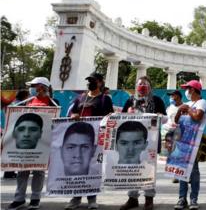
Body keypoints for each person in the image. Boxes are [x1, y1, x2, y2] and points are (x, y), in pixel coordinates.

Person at [8, 77, 59, 210]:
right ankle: (19, 199)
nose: (32, 88)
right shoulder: (29, 101)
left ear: (43, 87)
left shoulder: (53, 103)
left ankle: (35, 199)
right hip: (26, 144)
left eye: (34, 86)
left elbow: (56, 120)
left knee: (39, 171)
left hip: (43, 143)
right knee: (22, 170)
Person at [66, 72, 114, 210]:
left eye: (93, 80)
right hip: (79, 137)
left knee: (93, 168)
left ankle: (92, 198)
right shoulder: (80, 98)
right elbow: (72, 113)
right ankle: (75, 198)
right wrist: (74, 115)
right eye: (89, 81)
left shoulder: (105, 99)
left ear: (100, 82)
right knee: (79, 168)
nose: (90, 83)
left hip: (96, 138)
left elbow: (109, 117)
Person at [119, 76, 163, 210]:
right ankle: (132, 198)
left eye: (145, 84)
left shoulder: (157, 100)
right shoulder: (130, 101)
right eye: (140, 84)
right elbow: (121, 119)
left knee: (149, 169)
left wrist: (158, 117)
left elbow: (163, 117)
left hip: (151, 141)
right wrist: (127, 112)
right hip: (134, 140)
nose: (142, 86)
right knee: (133, 169)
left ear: (150, 87)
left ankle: (149, 199)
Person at [174, 80, 206, 210]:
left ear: (193, 90)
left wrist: (187, 109)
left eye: (187, 88)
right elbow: (177, 121)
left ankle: (193, 198)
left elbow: (198, 117)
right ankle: (182, 198)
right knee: (182, 170)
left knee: (193, 171)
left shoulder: (201, 102)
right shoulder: (187, 104)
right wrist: (178, 112)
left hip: (195, 142)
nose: (186, 91)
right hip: (183, 142)